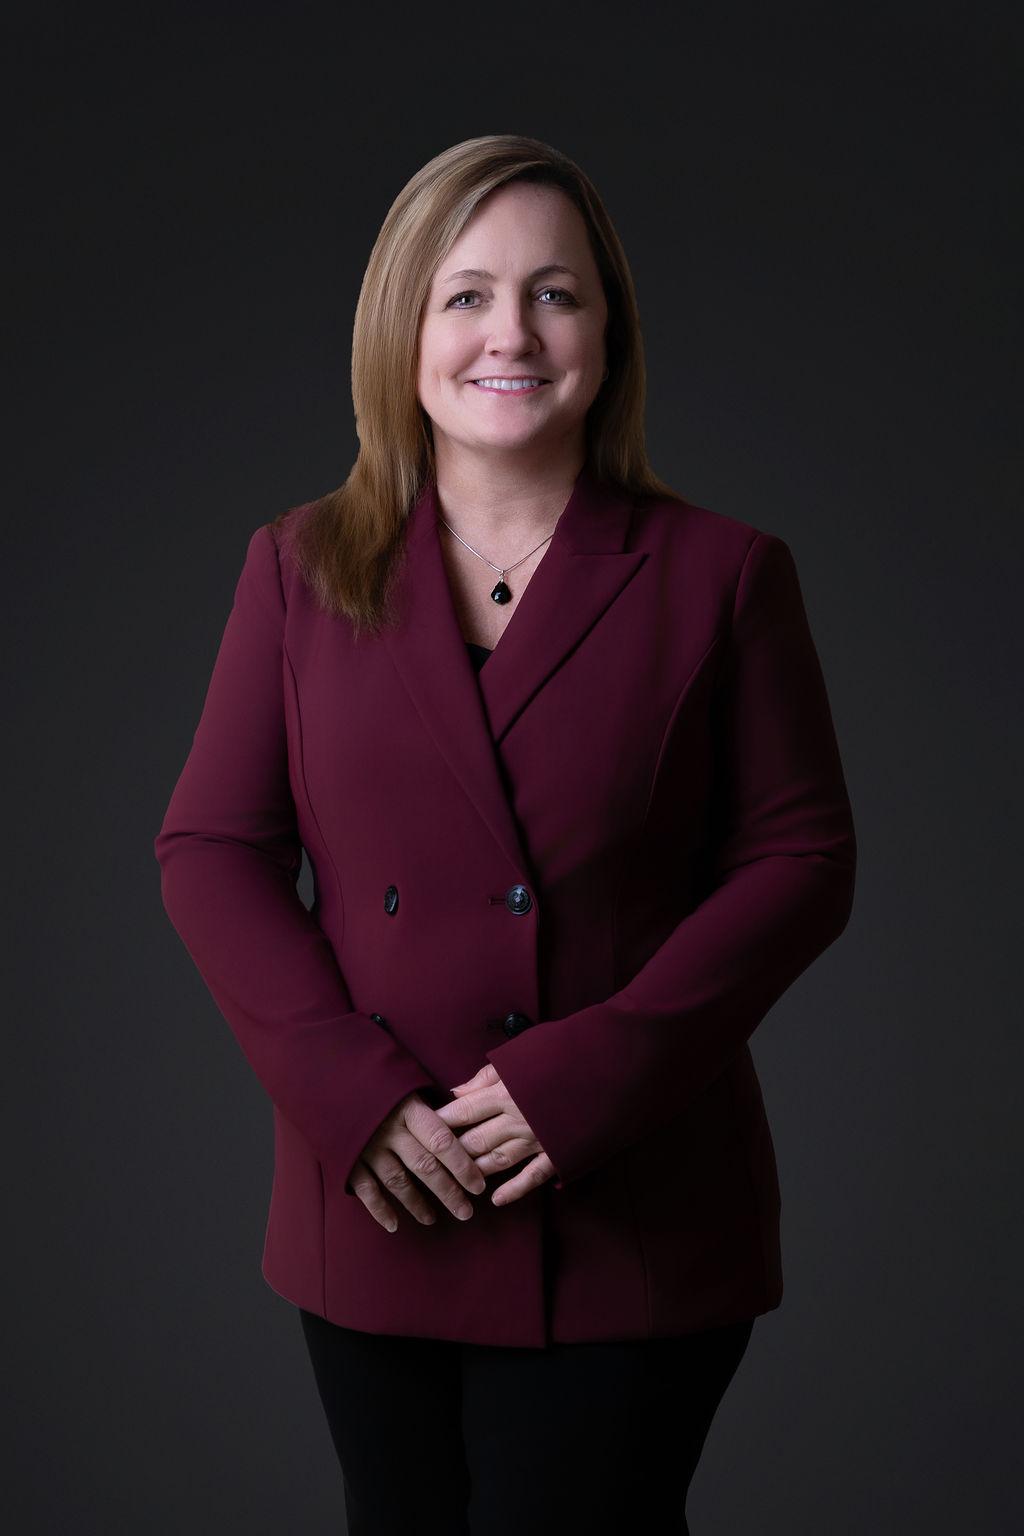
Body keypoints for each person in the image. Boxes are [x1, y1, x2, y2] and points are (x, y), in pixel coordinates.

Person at [154, 134, 857, 1535]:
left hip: (628, 1196)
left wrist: (591, 1074)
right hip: (379, 1186)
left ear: (609, 331)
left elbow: (802, 861)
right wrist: (345, 1095)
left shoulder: (722, 574)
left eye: (556, 293)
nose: (511, 334)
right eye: (466, 294)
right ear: (402, 327)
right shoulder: (298, 568)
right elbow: (213, 846)